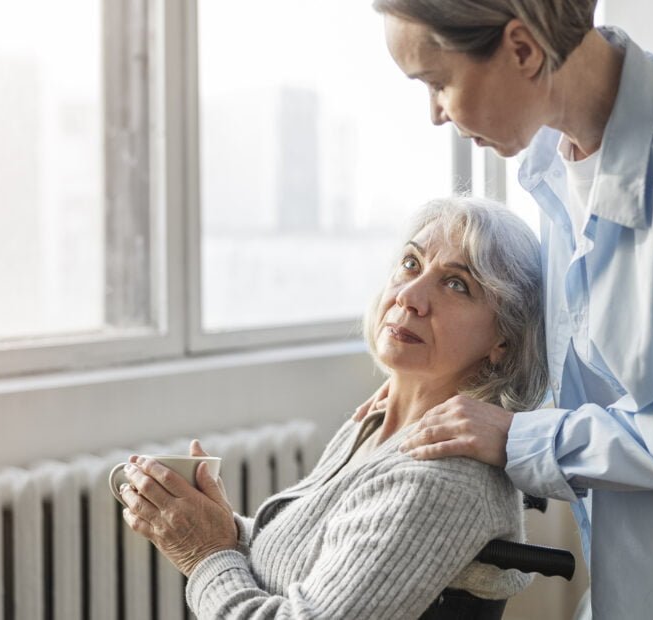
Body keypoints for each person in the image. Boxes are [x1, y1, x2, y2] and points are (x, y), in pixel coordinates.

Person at [362, 1, 653, 618]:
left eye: (438, 83)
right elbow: (612, 381)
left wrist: (517, 438)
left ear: (523, 49)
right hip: (638, 580)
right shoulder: (562, 162)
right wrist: (436, 402)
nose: (435, 114)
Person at [117, 197, 549, 618]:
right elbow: (314, 564)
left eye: (457, 284)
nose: (410, 297)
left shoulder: (442, 475)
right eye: (411, 264)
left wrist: (204, 554)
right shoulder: (376, 424)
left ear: (504, 339)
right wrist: (217, 529)